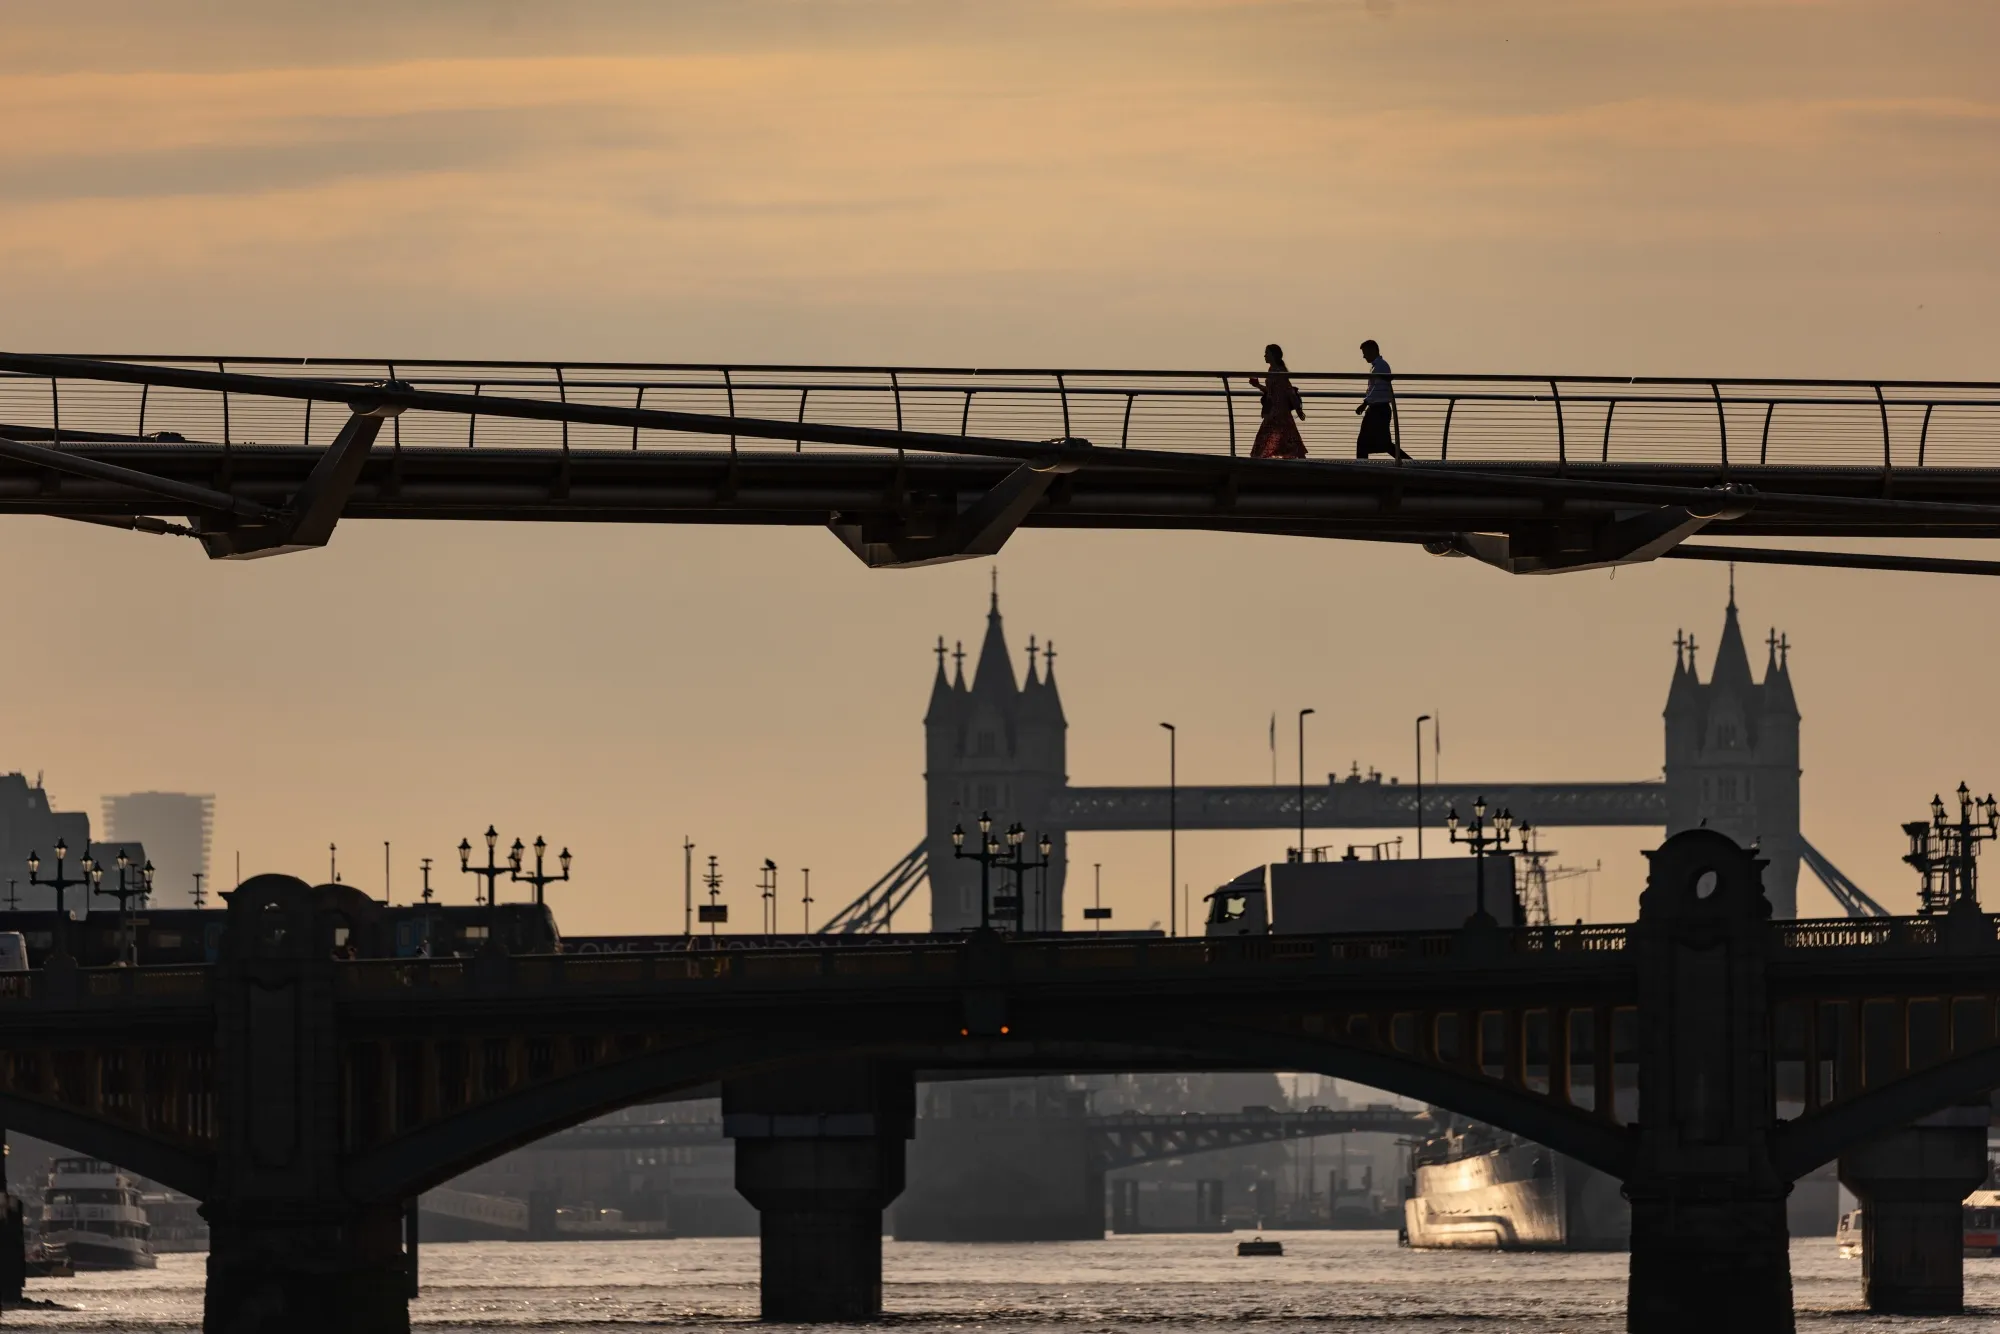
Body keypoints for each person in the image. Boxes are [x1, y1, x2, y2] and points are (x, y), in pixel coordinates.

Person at [1248, 343, 1307, 459]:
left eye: (1267, 353)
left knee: (1266, 438)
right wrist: (1258, 385)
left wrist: (1298, 408)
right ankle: (1295, 460)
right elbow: (1272, 391)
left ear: (1273, 355)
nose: (1264, 356)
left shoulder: (1279, 371)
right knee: (1286, 437)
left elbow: (1288, 390)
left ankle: (1257, 461)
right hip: (1276, 410)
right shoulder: (1272, 370)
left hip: (1278, 411)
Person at [1354, 339, 1410, 461]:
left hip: (1378, 409)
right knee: (1382, 444)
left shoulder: (1381, 366)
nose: (1363, 356)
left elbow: (1378, 387)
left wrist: (1365, 403)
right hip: (1377, 408)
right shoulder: (1378, 366)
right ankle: (1409, 462)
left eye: (1365, 353)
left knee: (1364, 443)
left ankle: (1362, 469)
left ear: (1373, 350)